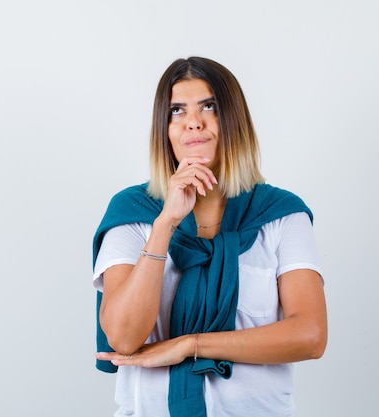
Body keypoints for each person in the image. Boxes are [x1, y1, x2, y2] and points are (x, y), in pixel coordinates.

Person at [91, 56, 327, 417]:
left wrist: (191, 345)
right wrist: (165, 223)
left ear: (233, 121)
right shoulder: (133, 213)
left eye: (209, 106)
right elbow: (123, 338)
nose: (193, 123)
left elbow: (310, 335)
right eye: (177, 111)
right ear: (164, 129)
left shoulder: (281, 214)